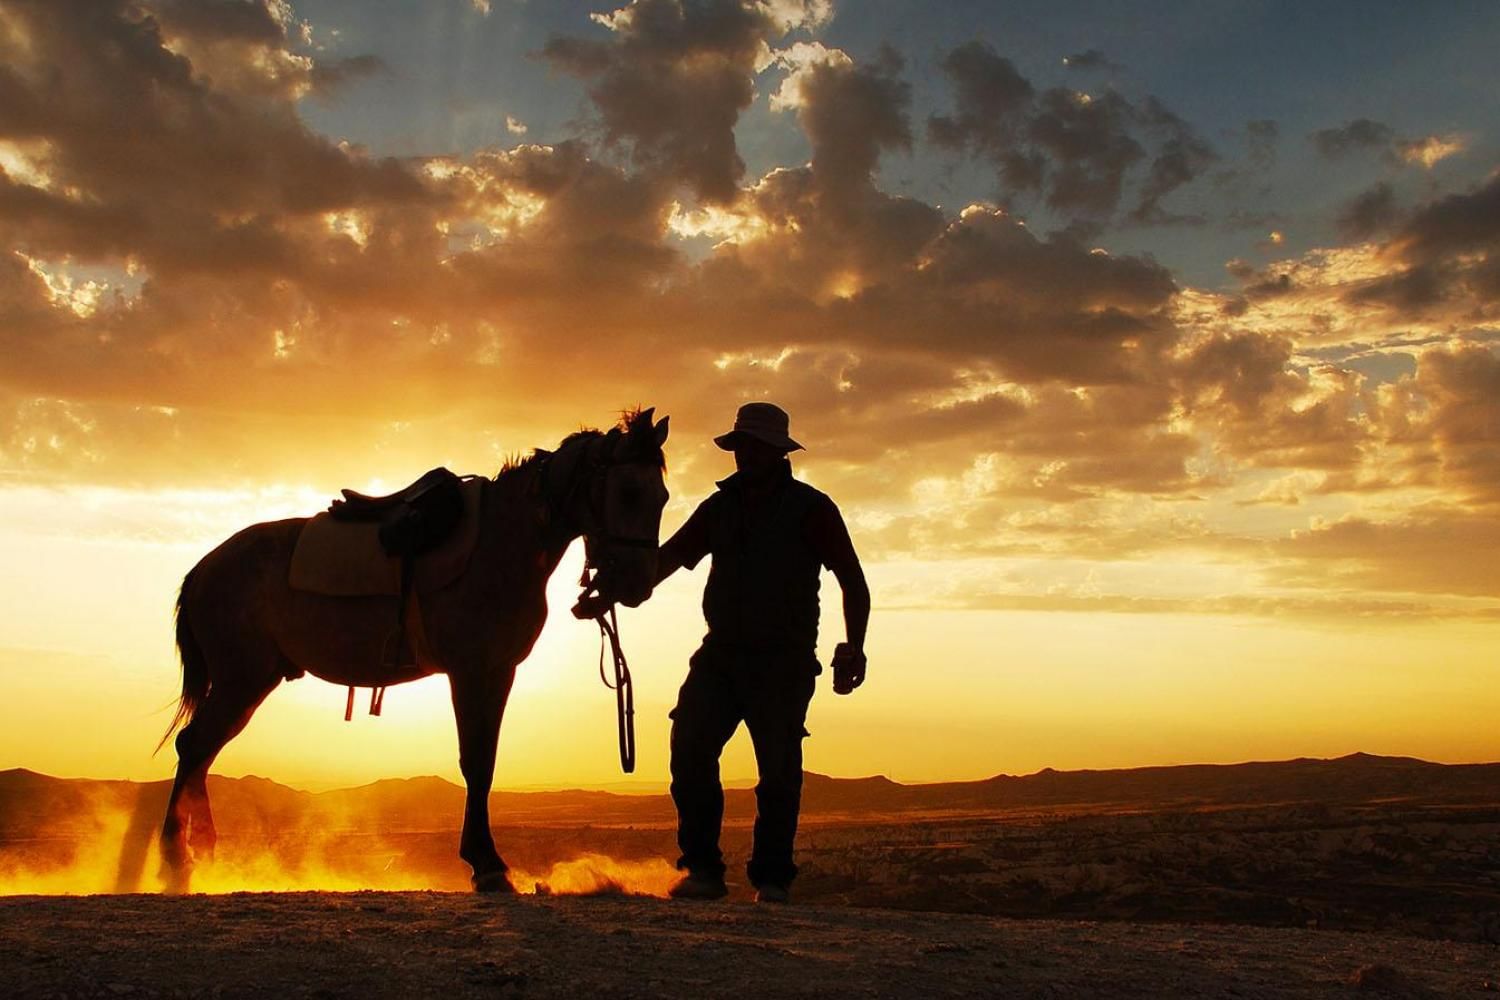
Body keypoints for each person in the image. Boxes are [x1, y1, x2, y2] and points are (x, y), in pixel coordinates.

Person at [578, 401, 869, 904]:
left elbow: (852, 581)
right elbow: (668, 559)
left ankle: (772, 877)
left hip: (783, 659)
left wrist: (854, 647)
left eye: (753, 447)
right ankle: (704, 871)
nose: (744, 456)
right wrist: (613, 591)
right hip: (722, 654)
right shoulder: (721, 507)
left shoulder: (811, 509)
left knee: (777, 771)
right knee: (689, 747)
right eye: (740, 447)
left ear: (777, 452)